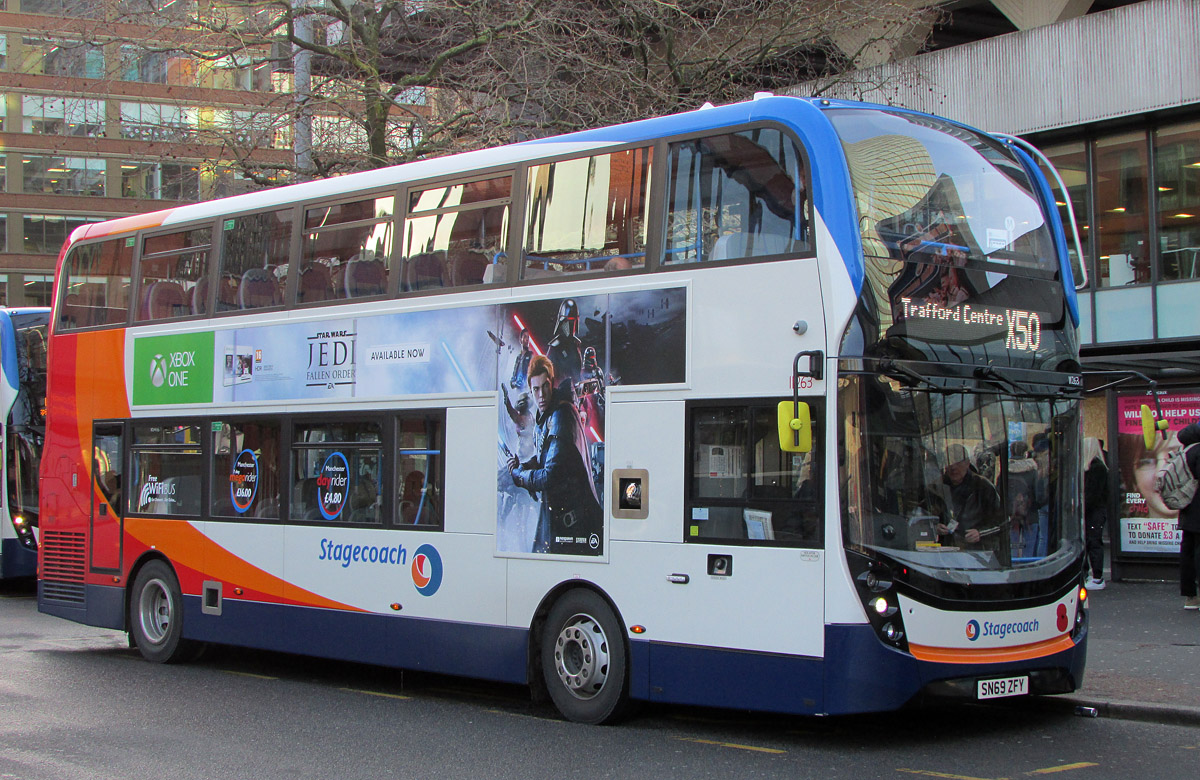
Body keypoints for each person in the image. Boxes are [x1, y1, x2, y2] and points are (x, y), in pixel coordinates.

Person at [506, 355, 602, 555]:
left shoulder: (561, 415)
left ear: (552, 383)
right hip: (560, 522)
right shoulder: (548, 417)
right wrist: (522, 467)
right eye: (536, 389)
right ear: (531, 391)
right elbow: (546, 459)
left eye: (545, 386)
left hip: (575, 527)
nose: (541, 394)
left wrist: (519, 476)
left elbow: (550, 474)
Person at [934, 444, 1005, 550]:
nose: (953, 467)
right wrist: (935, 526)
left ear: (967, 463)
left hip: (976, 551)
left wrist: (980, 532)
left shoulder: (983, 487)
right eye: (949, 462)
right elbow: (923, 516)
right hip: (945, 550)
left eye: (958, 462)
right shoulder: (937, 487)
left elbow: (1001, 520)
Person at [1174, 422, 1200, 610]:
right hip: (1199, 511)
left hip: (1187, 510)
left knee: (1188, 552)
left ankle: (1190, 596)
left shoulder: (1186, 452)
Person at [1082, 437, 1109, 590]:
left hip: (1093, 511)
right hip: (1094, 510)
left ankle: (1097, 576)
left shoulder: (1096, 467)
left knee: (1093, 541)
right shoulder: (1097, 466)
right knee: (1090, 541)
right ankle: (1093, 575)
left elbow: (1092, 494)